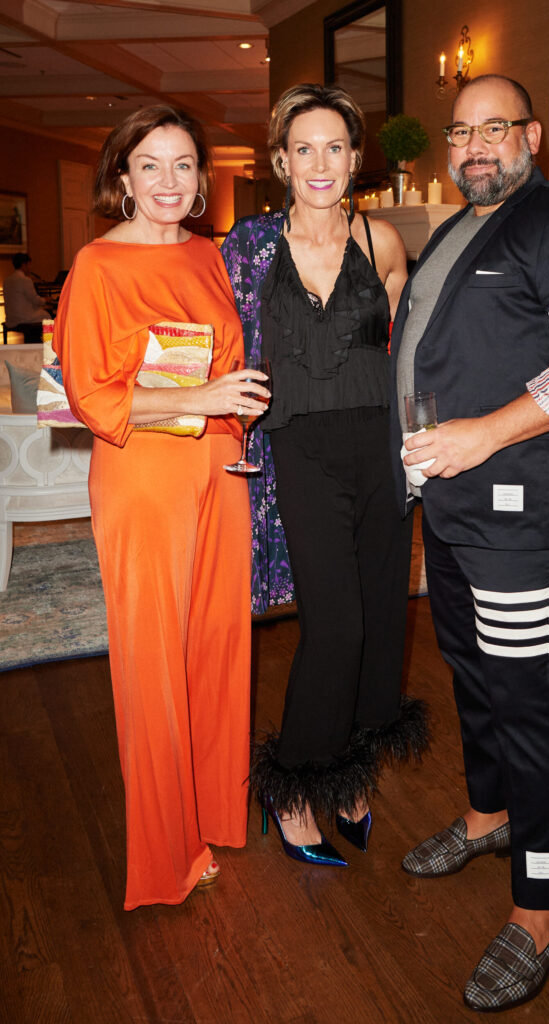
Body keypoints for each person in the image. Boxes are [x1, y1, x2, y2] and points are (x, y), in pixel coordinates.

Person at [391, 75, 549, 1011]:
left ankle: (542, 905)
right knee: (473, 674)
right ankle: (491, 815)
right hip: (453, 507)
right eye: (461, 133)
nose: (474, 146)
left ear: (532, 133)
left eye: (494, 128)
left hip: (520, 511)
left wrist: (481, 434)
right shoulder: (459, 227)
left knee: (527, 702)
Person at [53, 105, 269, 911]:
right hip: (142, 477)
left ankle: (212, 813)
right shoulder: (96, 265)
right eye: (152, 165)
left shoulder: (211, 256)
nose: (171, 181)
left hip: (219, 466)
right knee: (153, 660)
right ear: (123, 178)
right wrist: (209, 390)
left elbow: (227, 356)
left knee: (216, 647)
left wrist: (236, 400)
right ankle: (166, 851)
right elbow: (81, 395)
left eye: (185, 165)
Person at [221, 83, 429, 868]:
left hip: (376, 447)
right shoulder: (245, 246)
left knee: (378, 621)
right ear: (280, 159)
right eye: (302, 148)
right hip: (298, 453)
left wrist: (424, 442)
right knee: (334, 625)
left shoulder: (382, 244)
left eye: (334, 147)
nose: (319, 163)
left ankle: (348, 772)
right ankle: (295, 785)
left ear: (354, 158)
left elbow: (405, 355)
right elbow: (210, 337)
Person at [3, 253, 50, 341]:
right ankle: (48, 343)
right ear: (24, 264)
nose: (30, 268)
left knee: (41, 313)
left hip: (11, 318)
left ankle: (34, 340)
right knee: (48, 315)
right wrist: (45, 300)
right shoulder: (25, 280)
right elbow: (35, 300)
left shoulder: (7, 280)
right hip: (23, 318)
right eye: (29, 264)